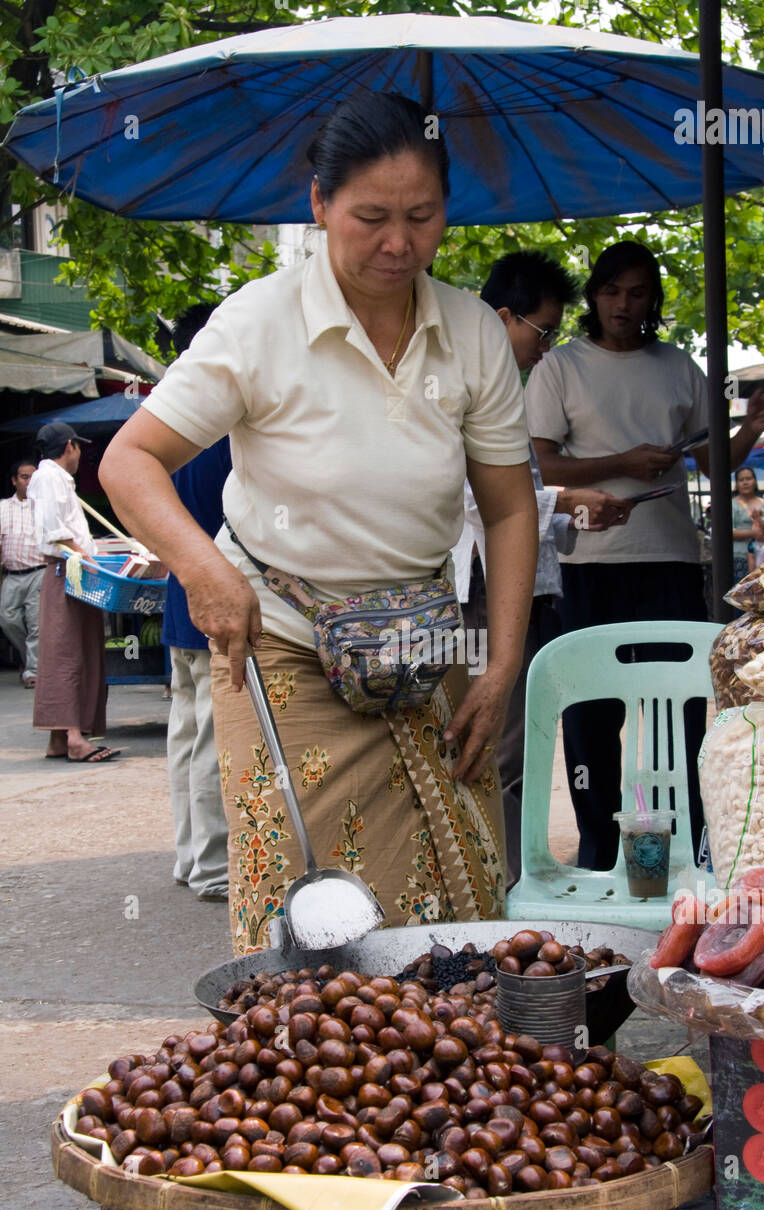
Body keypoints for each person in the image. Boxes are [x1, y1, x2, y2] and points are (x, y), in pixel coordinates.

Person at [100, 91, 539, 954]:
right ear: (319, 205)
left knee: (460, 890)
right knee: (310, 904)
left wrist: (500, 664)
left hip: (424, 640)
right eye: (371, 216)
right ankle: (312, 1079)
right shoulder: (258, 322)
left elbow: (511, 504)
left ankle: (445, 1078)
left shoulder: (474, 334)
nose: (398, 243)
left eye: (423, 216)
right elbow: (128, 460)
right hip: (286, 642)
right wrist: (204, 569)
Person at [526, 240, 764, 870]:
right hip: (590, 562)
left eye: (638, 292)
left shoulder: (679, 368)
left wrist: (748, 427)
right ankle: (597, 850)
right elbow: (541, 463)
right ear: (593, 297)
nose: (624, 304)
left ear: (653, 300)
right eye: (612, 291)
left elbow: (710, 456)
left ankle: (696, 844)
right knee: (593, 709)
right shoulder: (560, 367)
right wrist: (625, 461)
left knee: (685, 702)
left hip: (671, 556)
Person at [454, 250, 632, 885]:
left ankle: (515, 871)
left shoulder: (508, 391)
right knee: (494, 743)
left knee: (523, 745)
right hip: (480, 592)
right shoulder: (461, 386)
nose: (546, 347)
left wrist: (573, 521)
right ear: (504, 318)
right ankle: (496, 883)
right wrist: (565, 499)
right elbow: (468, 499)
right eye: (543, 331)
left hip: (527, 592)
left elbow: (519, 515)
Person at [163, 305, 233, 903]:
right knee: (211, 740)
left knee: (187, 737)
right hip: (214, 602)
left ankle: (190, 857)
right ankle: (214, 867)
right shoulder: (216, 421)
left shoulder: (162, 415)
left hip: (177, 600)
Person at [28, 421, 119, 763]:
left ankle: (60, 738)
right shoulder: (50, 477)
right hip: (67, 570)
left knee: (79, 647)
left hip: (73, 568)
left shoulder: (55, 478)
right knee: (68, 653)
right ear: (70, 446)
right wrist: (86, 559)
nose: (79, 453)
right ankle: (74, 736)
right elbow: (56, 532)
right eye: (78, 447)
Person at [0, 459, 43, 686]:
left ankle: (33, 672)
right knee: (7, 619)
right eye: (24, 477)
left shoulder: (44, 505)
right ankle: (30, 661)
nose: (29, 481)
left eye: (33, 477)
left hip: (39, 572)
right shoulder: (3, 508)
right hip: (12, 575)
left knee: (36, 624)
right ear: (14, 481)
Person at [731, 465, 764, 581]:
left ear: (755, 481)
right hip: (740, 556)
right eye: (741, 480)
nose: (745, 482)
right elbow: (726, 532)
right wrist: (752, 533)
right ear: (736, 484)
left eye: (749, 479)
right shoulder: (732, 504)